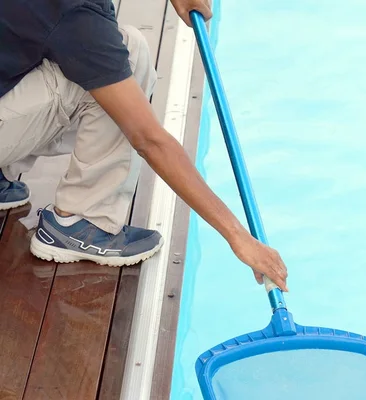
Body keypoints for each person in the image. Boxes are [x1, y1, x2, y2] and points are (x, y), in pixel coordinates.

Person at [0, 0, 288, 291]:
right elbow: (149, 140)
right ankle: (80, 224)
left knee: (60, 47)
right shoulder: (79, 17)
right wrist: (237, 235)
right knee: (127, 60)